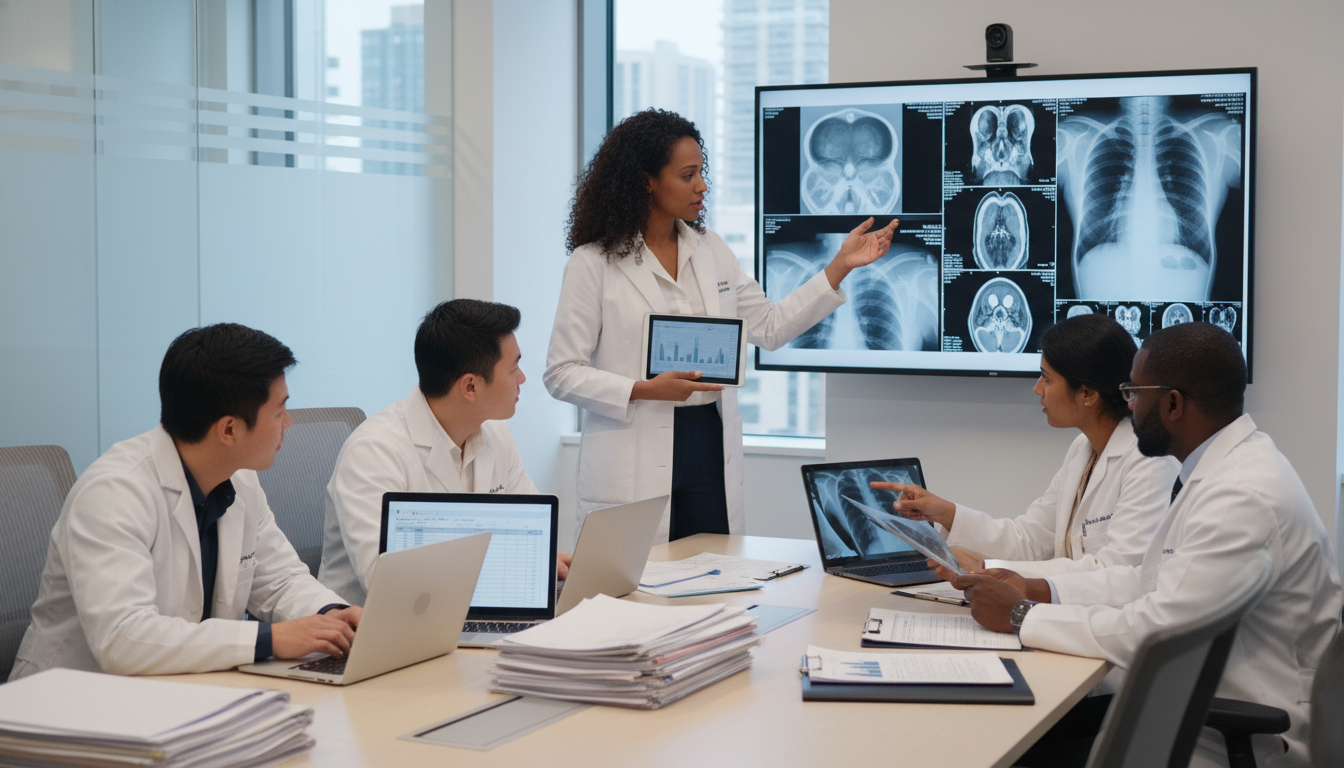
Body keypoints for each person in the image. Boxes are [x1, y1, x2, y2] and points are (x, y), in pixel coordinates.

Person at [942, 322, 1342, 768]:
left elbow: (1158, 633)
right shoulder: (1223, 470)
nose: (1128, 406)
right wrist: (1037, 590)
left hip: (1232, 733)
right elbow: (1147, 581)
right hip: (1198, 708)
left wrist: (1022, 615)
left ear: (1172, 403)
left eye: (1134, 393)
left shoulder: (1240, 495)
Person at [545, 108, 899, 541]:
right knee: (637, 587)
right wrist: (643, 389)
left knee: (713, 579)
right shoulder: (593, 263)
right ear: (646, 180)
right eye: (687, 175)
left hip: (709, 440)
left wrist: (838, 268)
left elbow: (769, 327)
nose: (702, 186)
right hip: (633, 442)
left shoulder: (710, 249)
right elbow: (561, 374)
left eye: (702, 172)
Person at [10, 325, 360, 679]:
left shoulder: (238, 477)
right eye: (279, 411)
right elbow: (124, 640)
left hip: (182, 691)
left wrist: (332, 614)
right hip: (69, 702)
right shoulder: (113, 493)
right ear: (229, 429)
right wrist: (268, 639)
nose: (288, 422)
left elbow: (280, 580)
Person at [872, 314, 1179, 600]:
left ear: (1088, 394)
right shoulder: (1082, 449)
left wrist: (988, 567)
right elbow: (1030, 538)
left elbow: (1117, 573)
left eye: (1046, 378)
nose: (1036, 389)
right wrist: (944, 512)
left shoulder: (1150, 461)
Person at [320, 299, 569, 606]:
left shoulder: (495, 433)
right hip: (380, 631)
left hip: (471, 610)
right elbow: (387, 582)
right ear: (470, 387)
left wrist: (539, 561)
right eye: (514, 368)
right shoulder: (374, 452)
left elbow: (534, 532)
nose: (522, 379)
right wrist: (519, 563)